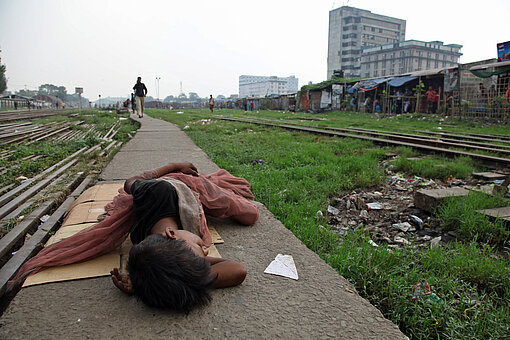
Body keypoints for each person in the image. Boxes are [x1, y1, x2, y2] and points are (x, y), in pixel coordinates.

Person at [12, 162, 259, 312]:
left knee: (248, 211)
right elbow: (238, 270)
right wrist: (154, 283)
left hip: (180, 184)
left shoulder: (154, 192)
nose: (206, 251)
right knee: (246, 212)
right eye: (204, 259)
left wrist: (174, 166)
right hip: (184, 209)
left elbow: (132, 182)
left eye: (199, 252)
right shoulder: (152, 253)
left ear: (172, 235)